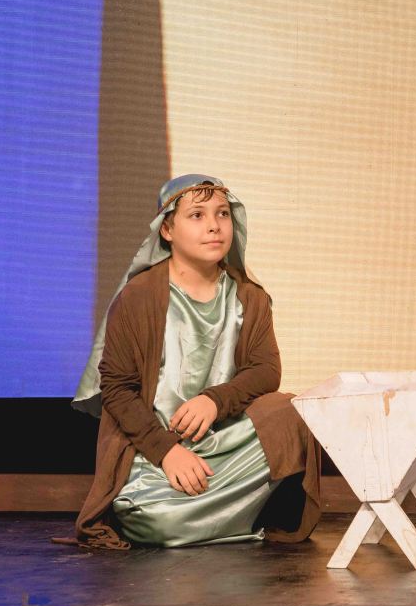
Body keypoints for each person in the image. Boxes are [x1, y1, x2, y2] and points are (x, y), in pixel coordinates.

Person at [58, 174, 320, 549]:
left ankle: (215, 513)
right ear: (167, 229)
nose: (214, 225)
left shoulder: (249, 295)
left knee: (293, 414)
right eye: (197, 215)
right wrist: (167, 452)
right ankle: (227, 515)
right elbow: (117, 389)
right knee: (157, 520)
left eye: (222, 214)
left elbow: (266, 371)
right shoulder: (139, 296)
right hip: (154, 452)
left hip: (228, 444)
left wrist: (214, 401)